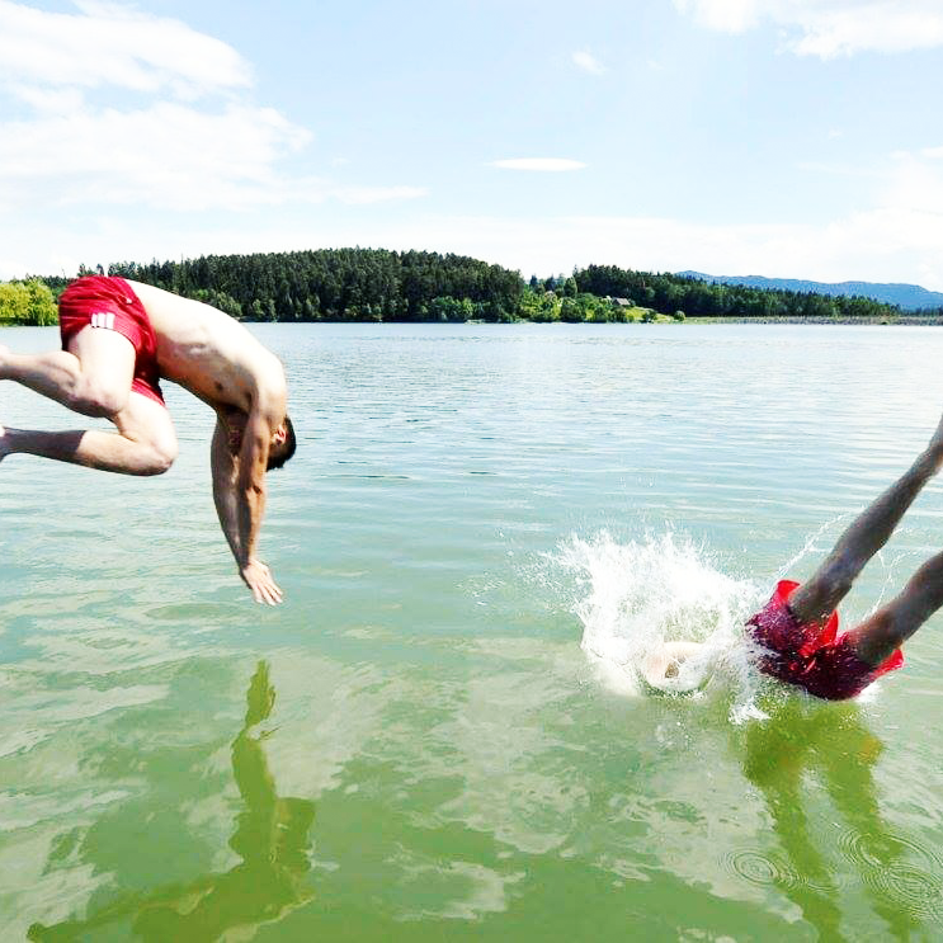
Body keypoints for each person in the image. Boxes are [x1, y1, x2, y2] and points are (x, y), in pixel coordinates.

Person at [0, 274, 296, 605]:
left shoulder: (228, 417)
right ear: (277, 432)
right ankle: (5, 362)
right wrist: (253, 558)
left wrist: (242, 559)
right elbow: (250, 487)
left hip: (139, 360)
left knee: (157, 454)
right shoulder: (269, 387)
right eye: (249, 446)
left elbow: (225, 487)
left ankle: (9, 440)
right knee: (102, 395)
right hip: (119, 302)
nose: (237, 447)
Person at [644, 414, 943, 699]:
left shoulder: (717, 659)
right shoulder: (712, 662)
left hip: (816, 684)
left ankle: (927, 462)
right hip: (786, 666)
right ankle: (928, 462)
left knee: (884, 628)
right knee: (831, 582)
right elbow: (660, 664)